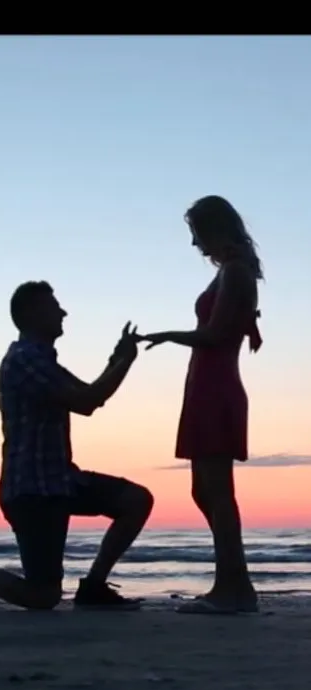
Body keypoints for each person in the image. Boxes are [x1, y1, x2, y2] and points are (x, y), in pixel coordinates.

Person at [0, 281, 153, 611]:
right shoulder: (25, 360)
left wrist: (118, 360)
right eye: (54, 307)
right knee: (43, 596)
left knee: (136, 500)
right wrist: (124, 362)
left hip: (61, 481)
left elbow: (91, 395)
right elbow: (87, 400)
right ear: (31, 313)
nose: (63, 312)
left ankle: (93, 587)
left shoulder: (41, 360)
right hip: (32, 490)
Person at [138, 195, 263, 614]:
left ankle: (235, 587)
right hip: (203, 387)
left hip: (217, 387)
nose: (194, 245)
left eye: (196, 234)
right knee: (202, 491)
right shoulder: (230, 272)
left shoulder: (235, 272)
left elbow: (214, 335)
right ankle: (232, 577)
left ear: (213, 229)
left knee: (218, 491)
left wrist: (169, 335)